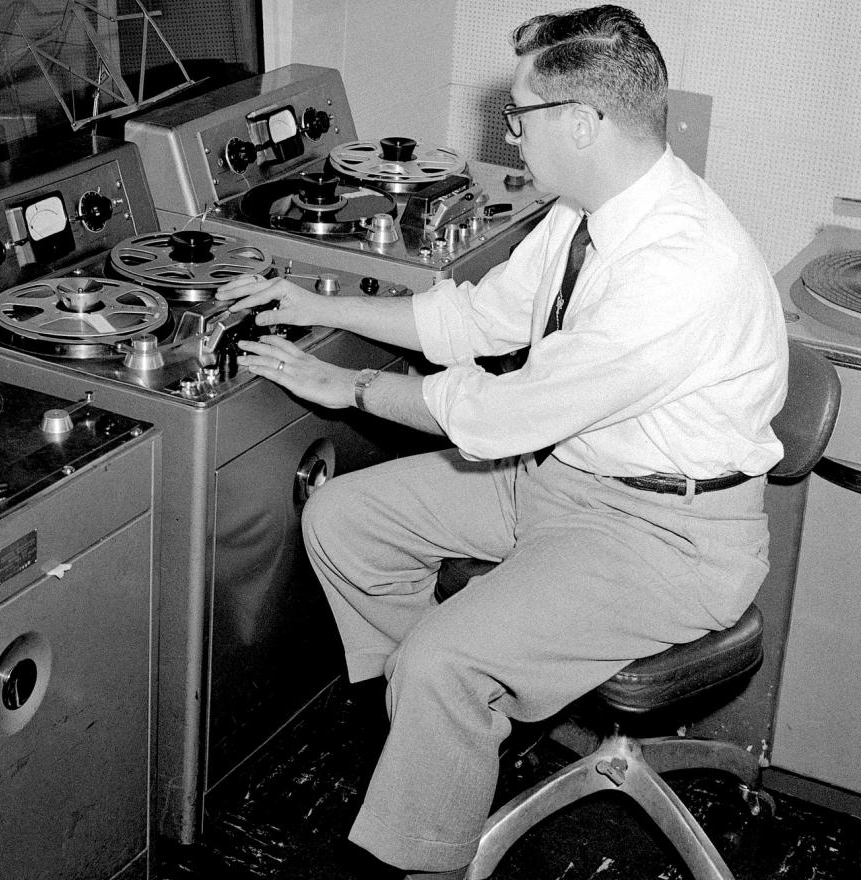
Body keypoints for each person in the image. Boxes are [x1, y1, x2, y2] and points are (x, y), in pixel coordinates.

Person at [214, 6, 787, 878]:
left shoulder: (678, 267)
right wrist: (315, 302)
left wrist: (353, 384)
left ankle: (423, 852)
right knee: (345, 518)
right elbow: (474, 318)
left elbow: (501, 413)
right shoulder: (587, 213)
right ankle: (430, 744)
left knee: (447, 656)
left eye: (519, 115)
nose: (508, 135)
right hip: (565, 480)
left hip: (668, 537)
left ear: (584, 124)